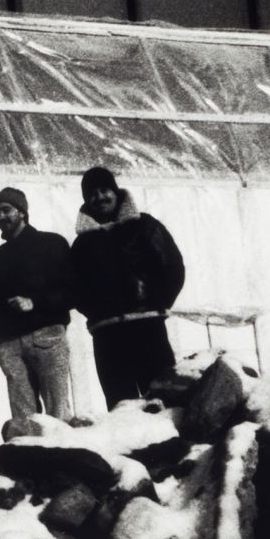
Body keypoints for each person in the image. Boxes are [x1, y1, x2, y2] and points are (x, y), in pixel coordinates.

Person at [71, 166, 186, 409]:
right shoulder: (82, 243)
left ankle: (169, 447)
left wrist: (156, 302)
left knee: (161, 398)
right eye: (92, 194)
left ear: (115, 191)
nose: (100, 198)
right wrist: (97, 312)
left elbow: (173, 267)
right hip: (108, 334)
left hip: (148, 328)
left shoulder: (146, 226)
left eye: (105, 190)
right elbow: (74, 285)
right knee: (121, 404)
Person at [0, 186, 75, 425]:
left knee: (58, 417)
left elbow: (72, 290)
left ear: (22, 212)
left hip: (48, 338)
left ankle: (66, 461)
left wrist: (35, 302)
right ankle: (33, 462)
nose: (1, 217)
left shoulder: (51, 244)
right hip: (11, 345)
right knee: (24, 420)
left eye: (6, 210)